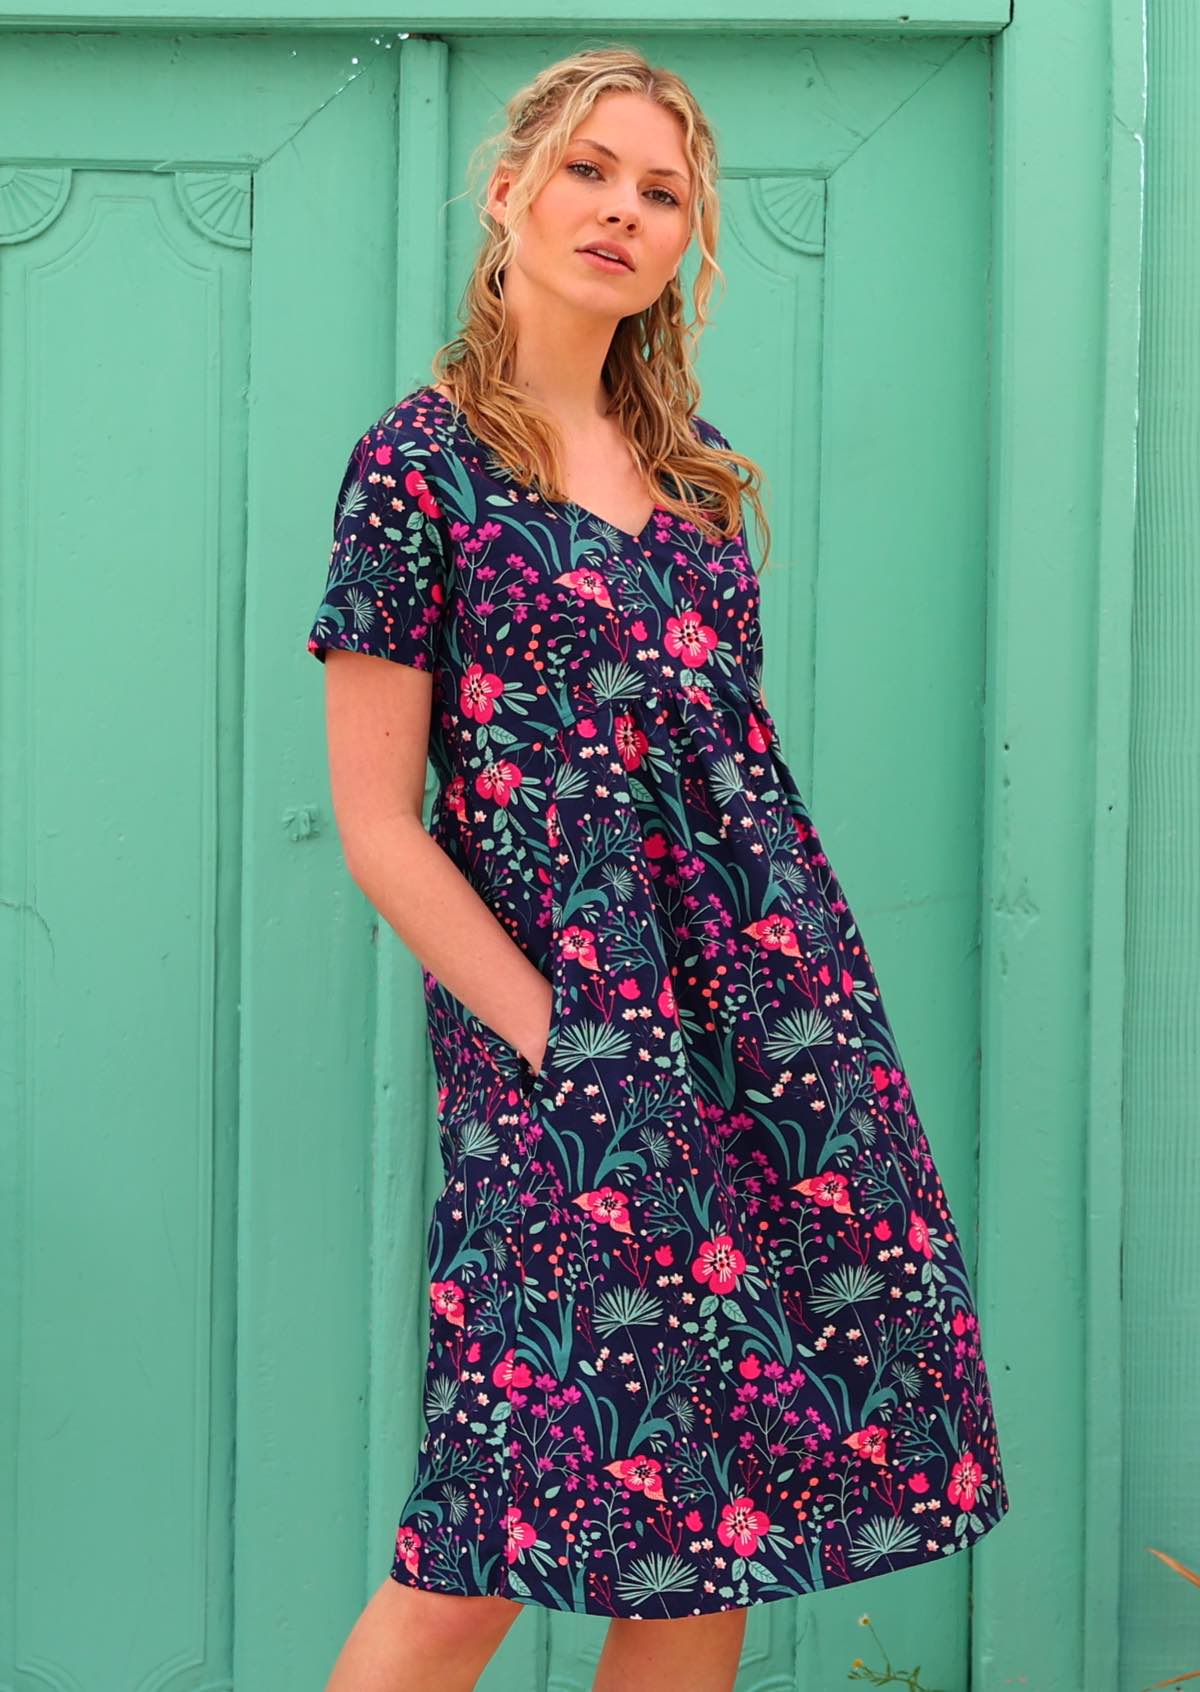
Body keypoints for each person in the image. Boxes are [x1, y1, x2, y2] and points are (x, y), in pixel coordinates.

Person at [307, 43, 1010, 1692]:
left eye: (662, 191)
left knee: (723, 1516)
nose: (621, 210)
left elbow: (722, 787)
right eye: (588, 170)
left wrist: (789, 1032)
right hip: (563, 1050)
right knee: (474, 1548)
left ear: (688, 240)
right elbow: (379, 825)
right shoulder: (418, 466)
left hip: (773, 1036)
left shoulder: (699, 475)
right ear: (509, 193)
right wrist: (564, 1042)